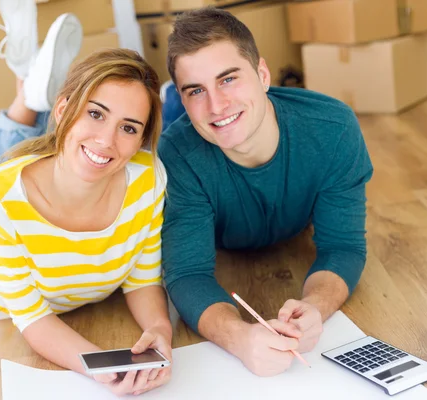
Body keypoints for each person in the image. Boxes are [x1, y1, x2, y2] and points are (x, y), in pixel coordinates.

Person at [0, 3, 171, 396]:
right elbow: (33, 318)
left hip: (55, 161)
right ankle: (26, 94)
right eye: (95, 113)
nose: (107, 140)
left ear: (142, 140)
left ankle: (32, 93)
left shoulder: (148, 177)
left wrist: (159, 329)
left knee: (71, 150)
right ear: (65, 107)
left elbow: (141, 279)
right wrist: (103, 368)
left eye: (128, 127)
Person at [158, 7, 374, 377]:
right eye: (196, 89)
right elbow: (187, 273)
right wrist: (239, 337)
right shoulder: (176, 154)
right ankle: (172, 100)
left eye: (228, 79)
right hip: (194, 156)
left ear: (262, 73)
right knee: (177, 127)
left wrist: (316, 308)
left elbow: (343, 246)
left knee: (215, 118)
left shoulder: (333, 128)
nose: (216, 103)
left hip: (287, 192)